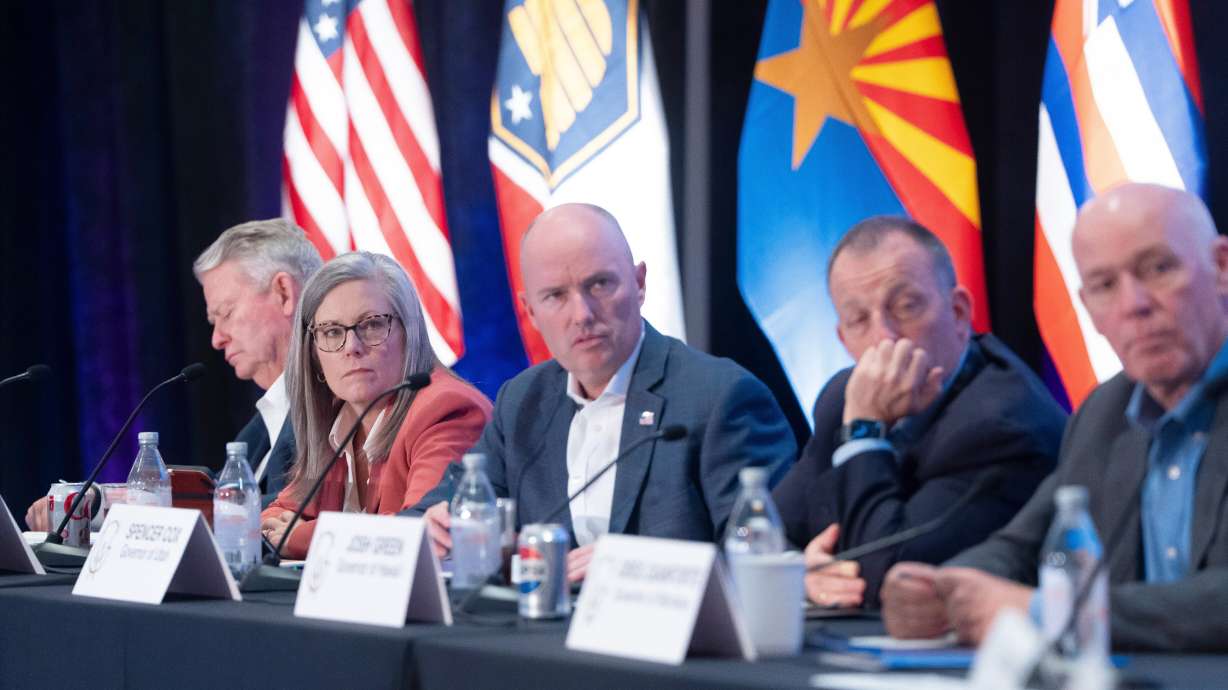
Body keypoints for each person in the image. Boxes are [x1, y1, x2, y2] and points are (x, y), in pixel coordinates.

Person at [881, 183, 1228, 652]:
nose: (1134, 304)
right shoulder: (1105, 413)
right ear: (1089, 310)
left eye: (1159, 268)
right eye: (1105, 286)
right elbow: (1022, 549)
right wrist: (944, 590)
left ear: (1221, 267)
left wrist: (1048, 613)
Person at [409, 203, 796, 582]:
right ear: (531, 312)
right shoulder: (522, 401)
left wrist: (632, 567)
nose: (582, 314)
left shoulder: (720, 397)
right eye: (555, 296)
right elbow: (443, 507)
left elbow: (767, 561)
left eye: (599, 284)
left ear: (639, 283)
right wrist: (434, 526)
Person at [772, 217, 1065, 608]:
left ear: (959, 312)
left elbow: (890, 580)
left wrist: (864, 431)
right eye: (859, 319)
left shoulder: (1002, 424)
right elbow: (760, 534)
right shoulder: (842, 397)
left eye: (906, 307)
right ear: (843, 339)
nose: (884, 336)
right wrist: (800, 574)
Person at [25, 218, 320, 530]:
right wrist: (96, 502)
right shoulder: (263, 424)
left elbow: (290, 507)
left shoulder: (331, 407)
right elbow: (211, 493)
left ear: (283, 293)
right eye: (214, 322)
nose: (217, 339)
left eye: (226, 313)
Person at [261, 252, 491, 559]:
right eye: (332, 332)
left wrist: (308, 537)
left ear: (409, 333)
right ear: (313, 354)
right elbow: (276, 516)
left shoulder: (447, 409)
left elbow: (423, 529)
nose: (352, 347)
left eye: (371, 325)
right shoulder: (336, 418)